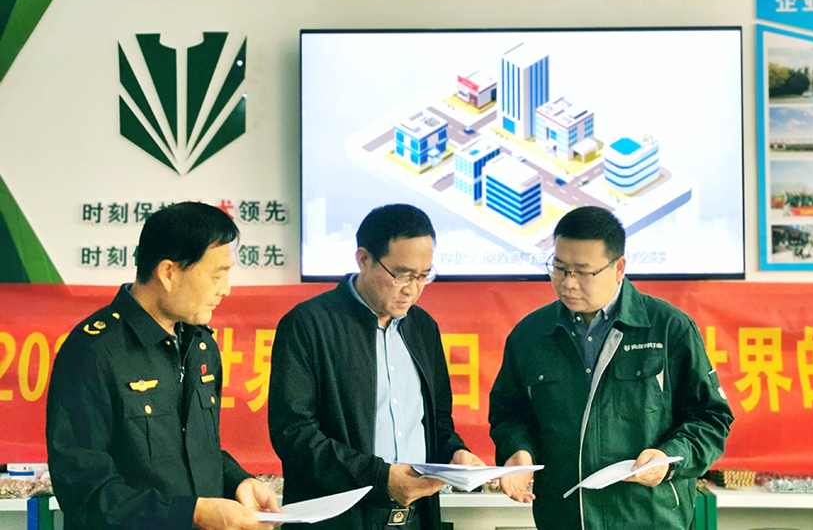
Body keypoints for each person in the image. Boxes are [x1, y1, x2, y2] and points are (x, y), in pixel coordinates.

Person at [489, 206, 734, 530]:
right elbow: (509, 414)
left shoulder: (667, 328)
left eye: (582, 272)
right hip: (564, 518)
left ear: (618, 268)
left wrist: (670, 458)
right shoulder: (531, 335)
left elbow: (711, 418)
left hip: (650, 518)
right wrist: (517, 451)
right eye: (559, 268)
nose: (568, 283)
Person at [46, 202, 281, 530]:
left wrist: (239, 481)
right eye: (216, 275)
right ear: (168, 273)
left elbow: (196, 451)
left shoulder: (200, 344)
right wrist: (192, 513)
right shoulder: (93, 351)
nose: (226, 289)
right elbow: (86, 493)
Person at [268, 203, 483, 529]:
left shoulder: (423, 328)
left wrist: (456, 455)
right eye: (401, 274)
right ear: (364, 259)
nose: (412, 289)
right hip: (338, 522)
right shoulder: (309, 324)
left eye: (423, 276)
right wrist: (380, 478)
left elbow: (437, 424)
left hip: (415, 519)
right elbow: (294, 435)